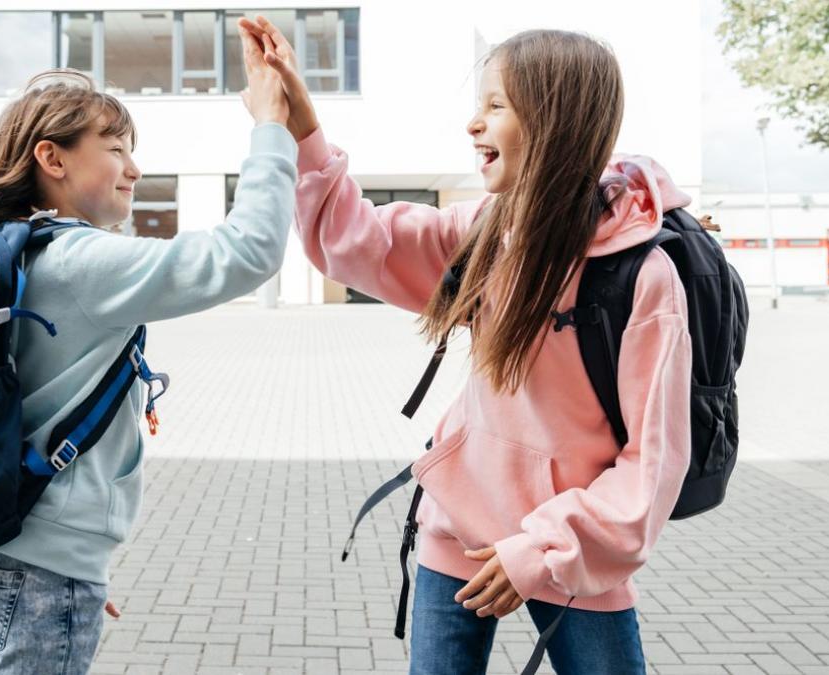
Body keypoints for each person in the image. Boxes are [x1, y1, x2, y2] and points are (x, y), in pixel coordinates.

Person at [242, 18, 691, 674]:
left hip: (573, 553)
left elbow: (650, 467)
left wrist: (536, 551)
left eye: (495, 106)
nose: (473, 124)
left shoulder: (640, 275)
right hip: (456, 530)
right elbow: (359, 243)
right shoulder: (485, 232)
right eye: (477, 106)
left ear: (553, 119)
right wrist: (305, 127)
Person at [0, 24, 296, 673]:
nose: (135, 167)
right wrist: (272, 125)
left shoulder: (0, 248)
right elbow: (249, 253)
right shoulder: (76, 261)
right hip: (40, 565)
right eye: (117, 148)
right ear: (53, 157)